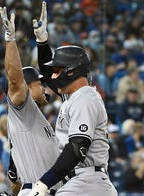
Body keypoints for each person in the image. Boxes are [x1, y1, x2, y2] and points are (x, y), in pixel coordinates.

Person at [28, 2, 117, 196]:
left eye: (58, 70)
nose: (52, 76)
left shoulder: (85, 100)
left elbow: (78, 148)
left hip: (88, 182)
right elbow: (49, 74)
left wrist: (44, 183)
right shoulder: (75, 96)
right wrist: (42, 42)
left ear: (72, 72)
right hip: (77, 181)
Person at [0, 6, 61, 196]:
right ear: (27, 87)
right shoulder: (22, 109)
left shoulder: (32, 118)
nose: (44, 86)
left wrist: (43, 42)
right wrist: (10, 40)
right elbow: (15, 80)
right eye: (38, 83)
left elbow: (13, 180)